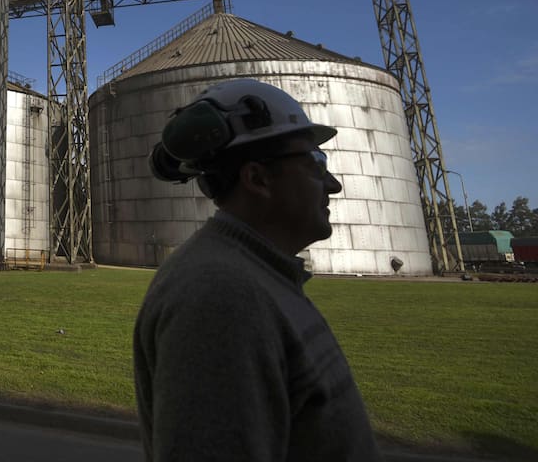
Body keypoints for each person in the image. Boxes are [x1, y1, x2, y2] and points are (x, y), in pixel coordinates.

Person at [133, 78, 382, 461]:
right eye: (316, 163)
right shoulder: (219, 297)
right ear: (257, 179)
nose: (333, 184)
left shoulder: (255, 274)